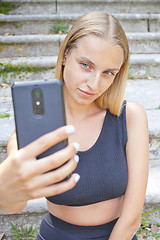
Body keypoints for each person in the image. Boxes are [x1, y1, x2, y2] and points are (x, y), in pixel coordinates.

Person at [7, 11, 149, 240]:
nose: (93, 84)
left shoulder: (130, 118)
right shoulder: (37, 127)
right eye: (85, 65)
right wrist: (5, 186)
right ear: (64, 56)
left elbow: (132, 218)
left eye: (108, 73)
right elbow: (15, 203)